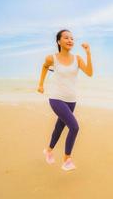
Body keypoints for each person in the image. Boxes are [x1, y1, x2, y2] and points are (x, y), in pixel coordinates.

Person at [37, 29, 93, 171]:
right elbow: (44, 67)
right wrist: (41, 84)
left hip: (71, 99)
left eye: (72, 38)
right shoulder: (52, 58)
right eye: (66, 38)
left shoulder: (77, 59)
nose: (70, 40)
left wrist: (88, 53)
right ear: (59, 41)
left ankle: (48, 151)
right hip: (56, 98)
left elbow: (89, 73)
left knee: (60, 127)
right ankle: (67, 159)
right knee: (74, 127)